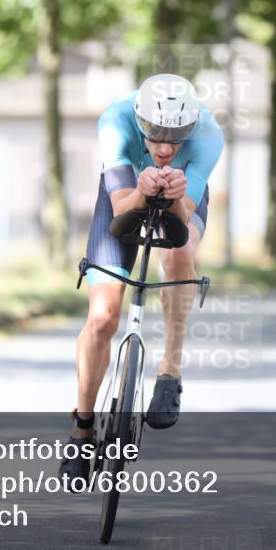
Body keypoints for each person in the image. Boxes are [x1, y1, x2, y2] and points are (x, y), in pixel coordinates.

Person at [59, 73, 223, 487]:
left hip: (182, 194)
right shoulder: (114, 120)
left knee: (182, 253)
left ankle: (171, 369)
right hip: (125, 193)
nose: (166, 148)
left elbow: (184, 220)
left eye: (177, 137)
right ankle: (81, 429)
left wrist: (174, 199)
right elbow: (119, 212)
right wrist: (142, 189)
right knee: (102, 317)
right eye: (155, 135)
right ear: (139, 121)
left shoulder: (208, 137)